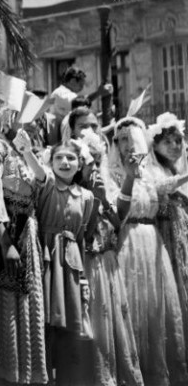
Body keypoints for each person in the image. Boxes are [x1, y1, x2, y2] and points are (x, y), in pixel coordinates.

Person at [109, 117, 187, 386]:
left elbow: (163, 187)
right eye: (123, 140)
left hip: (152, 242)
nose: (129, 145)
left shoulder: (150, 175)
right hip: (127, 241)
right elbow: (117, 208)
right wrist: (129, 178)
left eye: (133, 139)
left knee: (156, 304)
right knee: (132, 302)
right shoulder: (112, 173)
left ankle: (158, 370)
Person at [19, 134, 95, 385]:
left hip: (71, 263)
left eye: (71, 158)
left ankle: (67, 376)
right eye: (59, 157)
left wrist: (83, 276)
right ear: (51, 162)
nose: (65, 162)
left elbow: (82, 235)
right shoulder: (48, 183)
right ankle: (43, 375)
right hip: (46, 257)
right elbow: (38, 173)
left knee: (69, 324)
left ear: (80, 164)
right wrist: (28, 152)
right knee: (45, 320)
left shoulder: (86, 197)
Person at [0, 123, 48, 386]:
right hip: (1, 228)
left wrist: (26, 151)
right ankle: (4, 372)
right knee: (4, 297)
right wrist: (5, 242)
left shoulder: (32, 158)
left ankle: (26, 373)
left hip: (27, 232)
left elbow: (42, 180)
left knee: (26, 298)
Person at [79, 129, 143, 386]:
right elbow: (85, 230)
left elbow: (117, 220)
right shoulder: (73, 193)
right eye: (88, 161)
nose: (93, 167)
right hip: (88, 265)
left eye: (97, 160)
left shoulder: (100, 187)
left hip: (108, 264)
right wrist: (95, 197)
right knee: (96, 325)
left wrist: (128, 179)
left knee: (116, 323)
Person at [149, 113, 188, 358]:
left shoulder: (179, 166)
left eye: (178, 141)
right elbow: (161, 187)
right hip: (166, 236)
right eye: (168, 142)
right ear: (155, 145)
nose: (174, 147)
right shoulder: (152, 168)